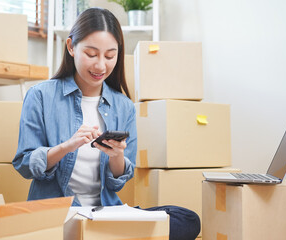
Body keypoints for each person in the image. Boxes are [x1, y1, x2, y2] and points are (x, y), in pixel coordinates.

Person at [13, 7, 200, 240]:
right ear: (71, 47)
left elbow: (118, 183)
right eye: (91, 54)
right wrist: (66, 147)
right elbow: (25, 164)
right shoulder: (40, 96)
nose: (101, 65)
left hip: (105, 213)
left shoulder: (123, 106)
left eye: (110, 56)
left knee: (188, 219)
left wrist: (117, 156)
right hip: (58, 216)